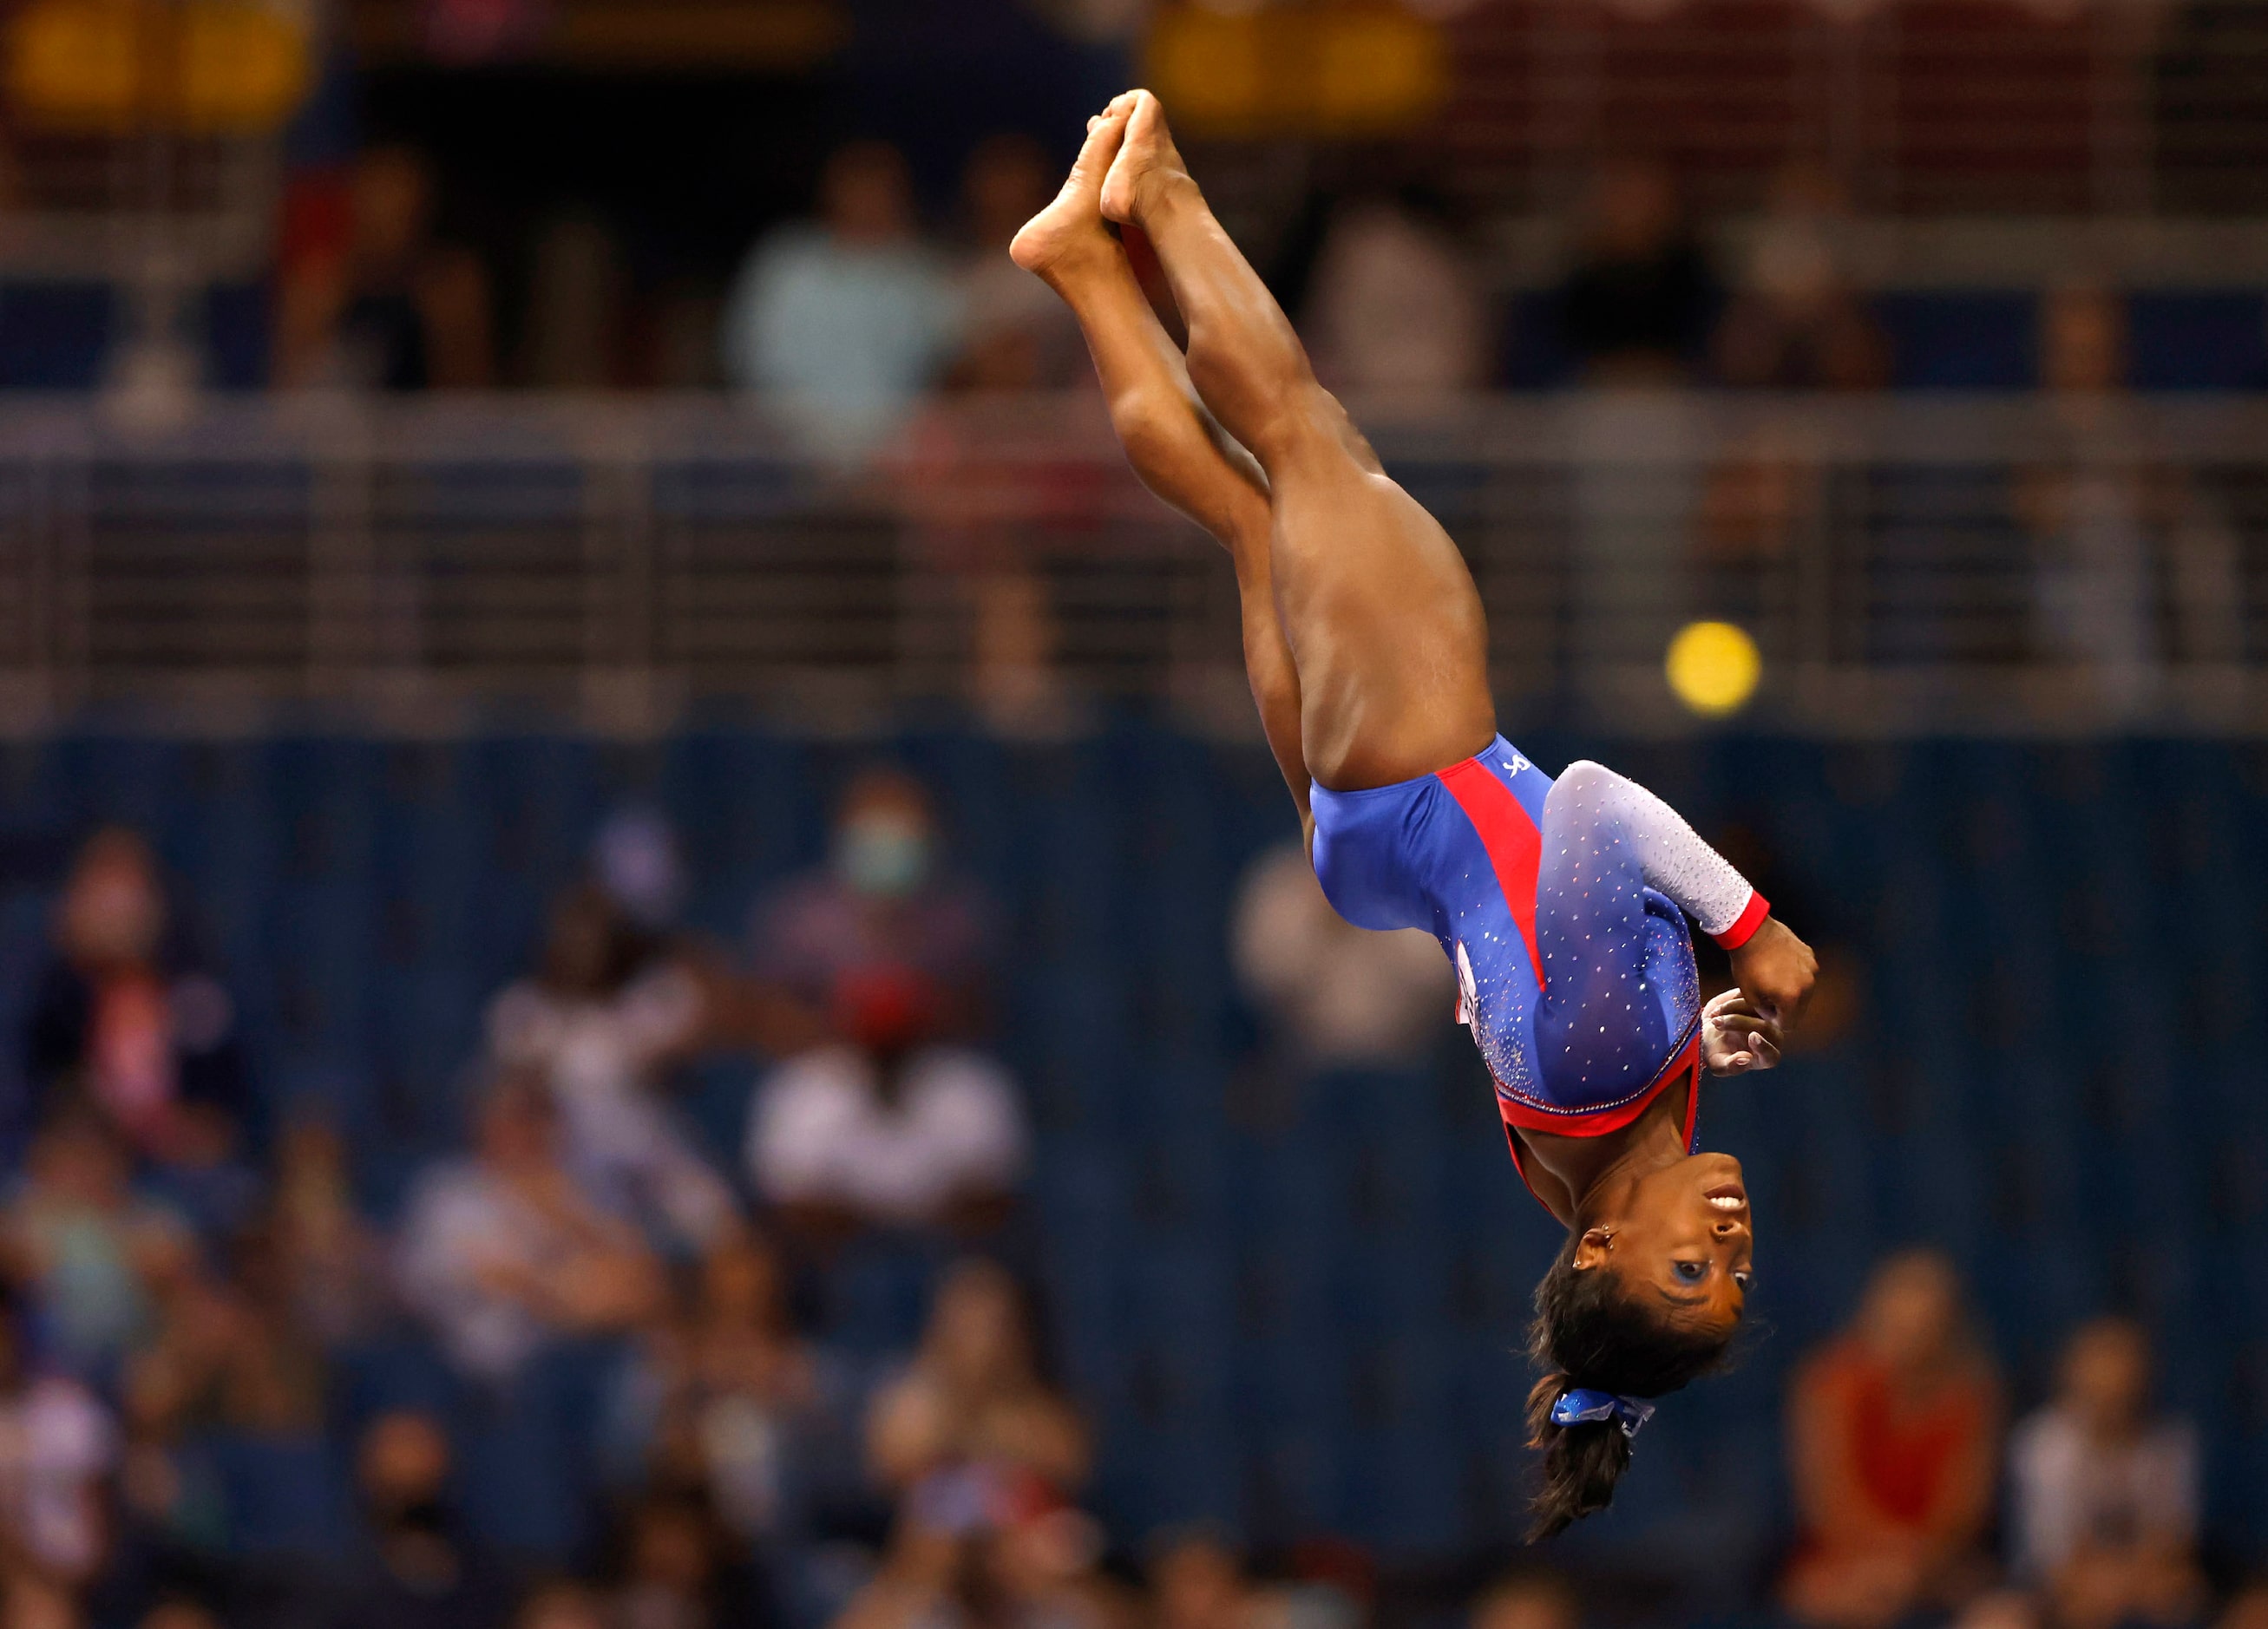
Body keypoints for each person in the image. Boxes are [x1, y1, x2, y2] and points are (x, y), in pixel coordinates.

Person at [1008, 90, 1815, 1536]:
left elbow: (1584, 806)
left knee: (1306, 439)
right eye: (1733, 1276)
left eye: (1688, 1270)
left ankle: (1162, 191)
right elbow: (1571, 999)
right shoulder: (1601, 1136)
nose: (1727, 1243)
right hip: (1372, 843)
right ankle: (1078, 263)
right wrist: (1694, 1026)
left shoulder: (1603, 1065)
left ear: (1598, 1256)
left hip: (1424, 753)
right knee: (1250, 515)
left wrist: (1746, 929)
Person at [486, 884, 737, 1253]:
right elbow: (508, 1098)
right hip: (570, 1149)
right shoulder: (525, 1010)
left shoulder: (645, 1002)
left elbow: (705, 1009)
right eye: (573, 937)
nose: (583, 948)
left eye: (593, 936)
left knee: (718, 1223)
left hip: (645, 1141)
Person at [394, 1077, 667, 1384]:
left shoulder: (580, 1185)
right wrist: (573, 1294)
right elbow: (504, 1279)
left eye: (532, 1121)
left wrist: (564, 1212)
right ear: (483, 1127)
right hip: (481, 1368)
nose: (521, 1135)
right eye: (508, 1122)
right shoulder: (452, 1192)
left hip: (589, 1350)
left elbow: (646, 1277)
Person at [1781, 1251, 2001, 1628]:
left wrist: (1912, 1564)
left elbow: (1962, 1510)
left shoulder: (1969, 1397)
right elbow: (1830, 1501)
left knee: (2002, 1615)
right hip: (1840, 1561)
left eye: (1926, 1327)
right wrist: (1884, 1561)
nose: (1911, 1340)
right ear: (1874, 1317)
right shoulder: (1832, 1385)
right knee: (1851, 1599)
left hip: (1937, 1566)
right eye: (1899, 1325)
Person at [720, 141, 963, 458]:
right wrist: (811, 448)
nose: (868, 199)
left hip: (899, 460)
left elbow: (943, 372)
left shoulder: (924, 275)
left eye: (880, 189)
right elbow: (752, 361)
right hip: (787, 454)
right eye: (857, 186)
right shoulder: (787, 264)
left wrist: (883, 452)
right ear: (833, 191)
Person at [745, 969, 1027, 1240]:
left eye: (897, 1041)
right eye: (877, 1042)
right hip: (836, 1256)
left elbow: (994, 1200)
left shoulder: (969, 1084)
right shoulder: (805, 1086)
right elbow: (790, 1203)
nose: (887, 1054)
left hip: (946, 1250)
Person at [2008, 1317, 2204, 1629]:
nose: (2112, 1394)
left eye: (2123, 1384)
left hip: (2144, 1585)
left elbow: (2172, 1545)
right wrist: (2103, 1588)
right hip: (2050, 1589)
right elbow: (2054, 1562)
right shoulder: (2043, 1445)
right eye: (2099, 1383)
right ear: (2073, 1377)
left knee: (2181, 1595)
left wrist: (2123, 1585)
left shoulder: (2169, 1445)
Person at [865, 1259, 1086, 1497]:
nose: (983, 1339)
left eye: (993, 1323)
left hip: (1017, 1519)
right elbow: (887, 1467)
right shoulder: (915, 1395)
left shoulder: (1035, 1400)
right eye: (969, 1322)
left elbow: (1072, 1465)